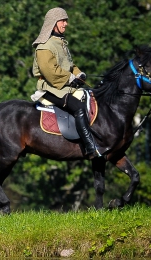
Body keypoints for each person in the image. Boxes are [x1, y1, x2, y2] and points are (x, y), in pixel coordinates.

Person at [31, 8, 101, 159]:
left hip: (64, 86)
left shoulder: (60, 42)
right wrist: (70, 78)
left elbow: (70, 65)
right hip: (51, 88)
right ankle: (90, 146)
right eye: (63, 21)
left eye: (66, 20)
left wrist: (78, 74)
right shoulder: (44, 46)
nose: (66, 24)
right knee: (79, 107)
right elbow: (50, 71)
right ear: (53, 23)